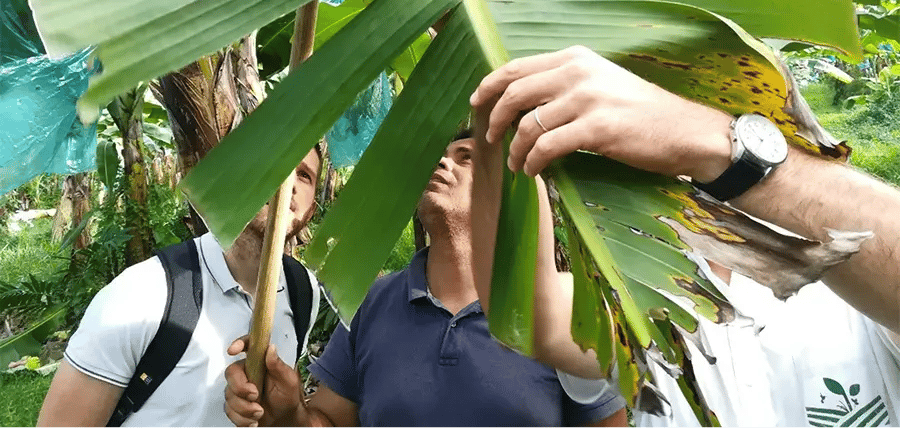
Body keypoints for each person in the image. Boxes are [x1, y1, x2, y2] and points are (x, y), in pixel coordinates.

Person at [468, 45, 900, 427]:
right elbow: (532, 311)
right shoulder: (653, 290)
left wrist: (722, 146)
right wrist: (493, 97)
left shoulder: (854, 288)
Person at [223, 130, 628, 427]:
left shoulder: (558, 312)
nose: (442, 162)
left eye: (466, 157)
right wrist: (291, 413)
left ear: (511, 193)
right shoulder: (373, 302)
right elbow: (329, 421)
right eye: (441, 154)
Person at [37, 146, 323, 428]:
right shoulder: (142, 294)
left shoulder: (304, 291)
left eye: (304, 176)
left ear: (311, 210)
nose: (288, 183)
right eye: (276, 162)